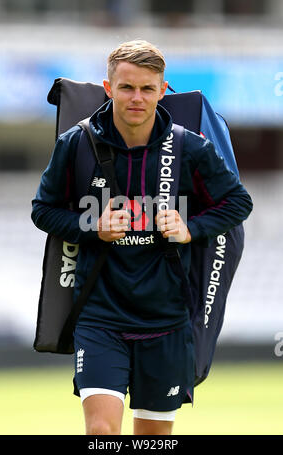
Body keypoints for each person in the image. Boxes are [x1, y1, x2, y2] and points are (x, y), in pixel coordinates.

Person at [31, 40, 253, 435]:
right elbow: (42, 210)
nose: (137, 97)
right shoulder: (75, 143)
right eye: (127, 87)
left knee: (152, 438)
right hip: (99, 315)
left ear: (162, 90)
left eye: (148, 88)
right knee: (102, 432)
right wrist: (91, 227)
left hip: (168, 317)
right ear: (108, 87)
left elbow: (238, 203)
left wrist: (191, 229)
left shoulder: (191, 148)